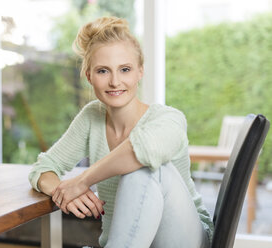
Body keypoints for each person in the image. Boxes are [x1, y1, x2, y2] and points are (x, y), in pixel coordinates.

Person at [29, 16, 213, 247]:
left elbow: (142, 150)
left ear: (140, 72)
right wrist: (61, 190)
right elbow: (43, 168)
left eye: (125, 69)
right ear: (89, 77)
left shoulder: (169, 119)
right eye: (103, 71)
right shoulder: (91, 117)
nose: (115, 81)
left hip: (187, 240)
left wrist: (82, 181)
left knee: (147, 169)